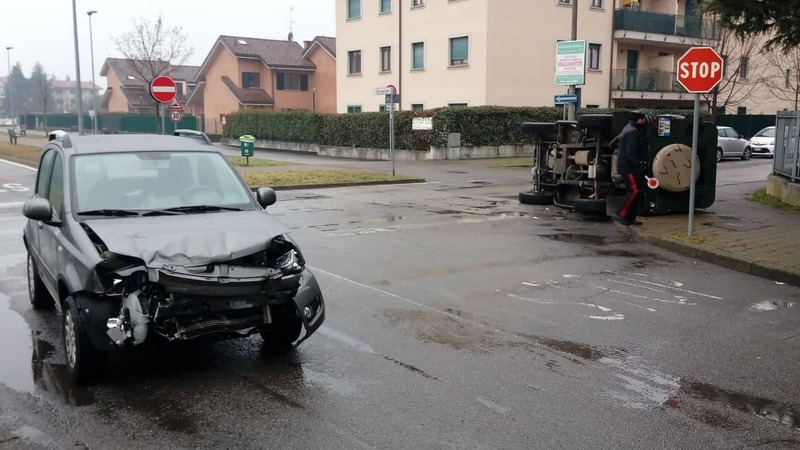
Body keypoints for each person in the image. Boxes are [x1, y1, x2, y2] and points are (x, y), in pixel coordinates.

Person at [612, 109, 649, 226]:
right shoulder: (632, 132)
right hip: (628, 168)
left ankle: (630, 218)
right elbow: (631, 153)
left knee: (633, 192)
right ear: (640, 119)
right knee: (634, 191)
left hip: (626, 167)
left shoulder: (628, 128)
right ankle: (621, 214)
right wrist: (639, 166)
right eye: (643, 119)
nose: (645, 121)